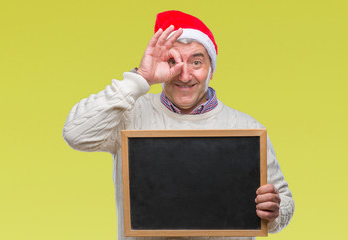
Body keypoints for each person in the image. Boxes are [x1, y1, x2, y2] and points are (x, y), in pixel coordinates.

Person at [63, 10, 294, 240]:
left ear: (211, 69)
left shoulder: (246, 127)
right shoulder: (128, 115)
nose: (184, 76)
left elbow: (283, 203)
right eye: (172, 61)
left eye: (196, 62)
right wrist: (140, 79)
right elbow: (75, 134)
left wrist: (273, 211)